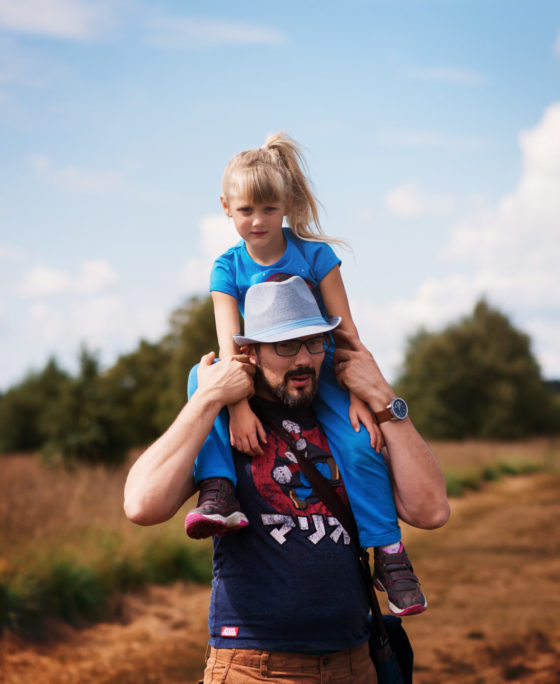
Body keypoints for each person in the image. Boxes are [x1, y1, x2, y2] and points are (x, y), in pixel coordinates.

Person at [124, 276, 450, 683]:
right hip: (252, 668)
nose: (303, 360)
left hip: (355, 662)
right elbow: (141, 505)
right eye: (285, 346)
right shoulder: (225, 420)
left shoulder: (351, 419)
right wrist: (207, 398)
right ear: (250, 352)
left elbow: (432, 510)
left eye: (314, 342)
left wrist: (383, 397)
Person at [183, 131, 428, 616]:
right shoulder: (225, 268)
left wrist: (361, 394)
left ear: (288, 204)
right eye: (246, 210)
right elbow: (230, 345)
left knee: (362, 443)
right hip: (256, 367)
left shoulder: (316, 256)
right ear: (225, 208)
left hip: (322, 365)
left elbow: (348, 332)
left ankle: (390, 554)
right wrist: (237, 407)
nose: (258, 221)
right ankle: (218, 491)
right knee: (201, 378)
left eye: (269, 210)